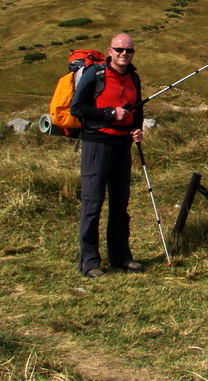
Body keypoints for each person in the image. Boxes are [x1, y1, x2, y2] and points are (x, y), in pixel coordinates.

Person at [70, 33, 145, 278]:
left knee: (120, 203)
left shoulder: (134, 77)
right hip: (97, 144)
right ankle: (89, 262)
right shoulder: (95, 74)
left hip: (123, 145)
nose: (124, 54)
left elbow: (138, 111)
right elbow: (77, 107)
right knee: (93, 203)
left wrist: (137, 130)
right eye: (119, 50)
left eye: (129, 51)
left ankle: (120, 256)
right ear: (110, 51)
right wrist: (111, 114)